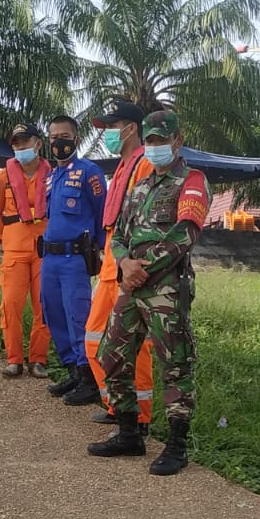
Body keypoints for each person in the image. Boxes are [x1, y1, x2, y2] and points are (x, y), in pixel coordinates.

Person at [90, 110, 210, 475]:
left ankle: (176, 445)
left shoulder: (192, 180)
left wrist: (142, 270)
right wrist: (125, 264)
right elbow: (121, 234)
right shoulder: (140, 186)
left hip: (167, 289)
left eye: (162, 140)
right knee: (111, 355)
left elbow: (185, 233)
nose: (155, 147)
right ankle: (129, 433)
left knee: (175, 365)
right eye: (150, 141)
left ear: (178, 140)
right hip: (132, 284)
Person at [80, 98, 156, 422]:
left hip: (130, 269)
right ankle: (117, 405)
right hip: (111, 267)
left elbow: (147, 221)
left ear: (130, 128)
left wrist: (131, 265)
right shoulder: (122, 167)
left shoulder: (145, 165)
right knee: (95, 339)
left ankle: (137, 418)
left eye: (112, 126)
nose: (108, 132)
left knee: (135, 348)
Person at [38, 114, 107, 401]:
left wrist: (104, 255)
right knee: (54, 315)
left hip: (75, 259)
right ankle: (72, 372)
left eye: (64, 137)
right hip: (50, 259)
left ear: (76, 140)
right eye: (53, 137)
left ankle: (89, 379)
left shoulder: (90, 172)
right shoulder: (51, 176)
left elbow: (103, 215)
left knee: (78, 317)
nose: (58, 142)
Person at [0, 122, 51, 378]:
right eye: (16, 143)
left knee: (43, 306)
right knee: (10, 305)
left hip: (45, 249)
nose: (21, 147)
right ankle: (14, 359)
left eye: (25, 141)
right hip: (14, 251)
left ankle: (38, 359)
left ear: (38, 143)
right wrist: (12, 237)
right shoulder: (2, 177)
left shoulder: (53, 175)